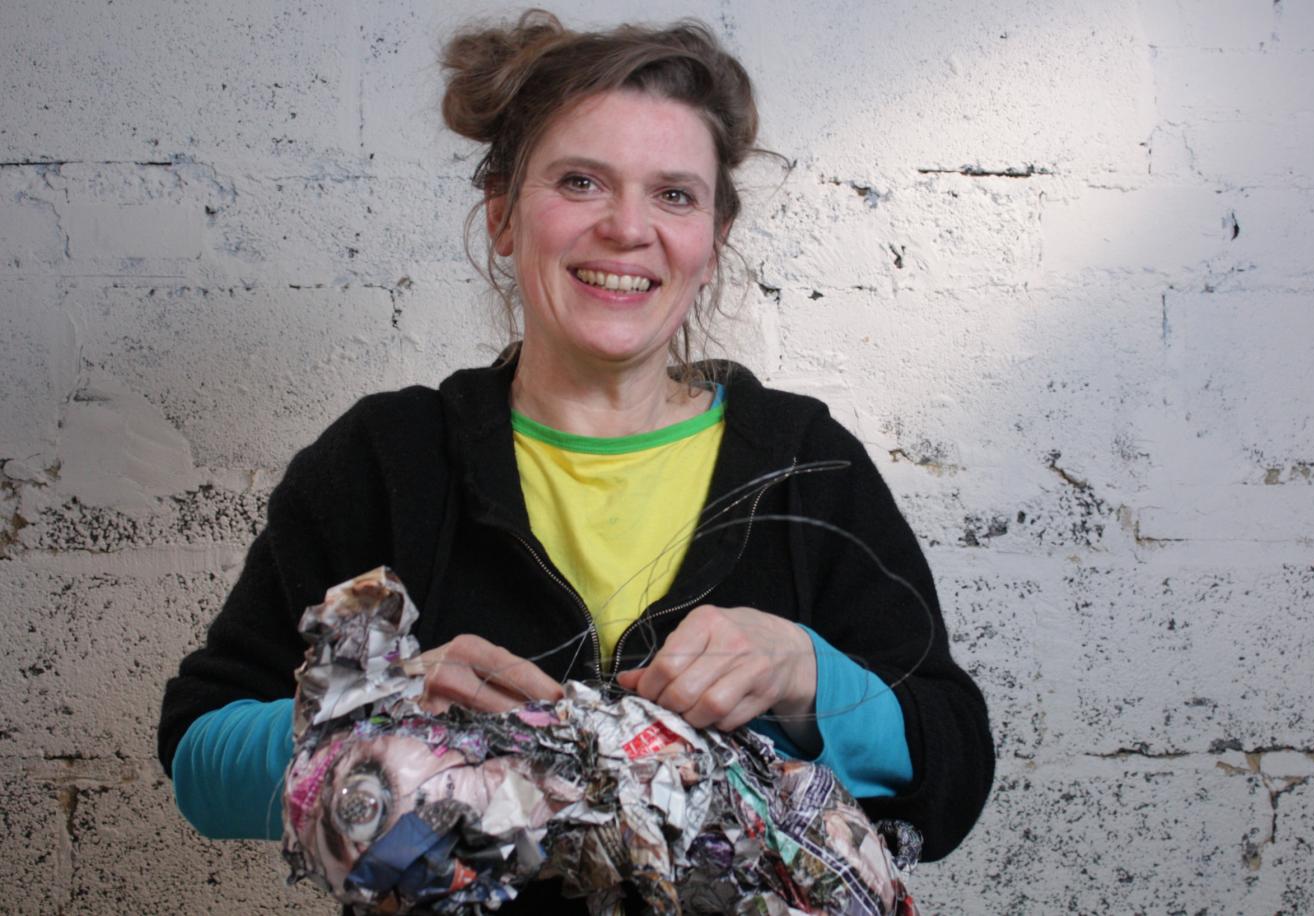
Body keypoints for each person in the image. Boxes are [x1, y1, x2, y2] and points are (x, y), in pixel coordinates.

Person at [158, 10, 994, 912]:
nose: (628, 228)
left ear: (713, 239)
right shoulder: (386, 460)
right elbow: (199, 759)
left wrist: (807, 674)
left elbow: (952, 774)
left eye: (674, 195)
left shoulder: (808, 466)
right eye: (581, 182)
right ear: (503, 214)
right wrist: (375, 712)